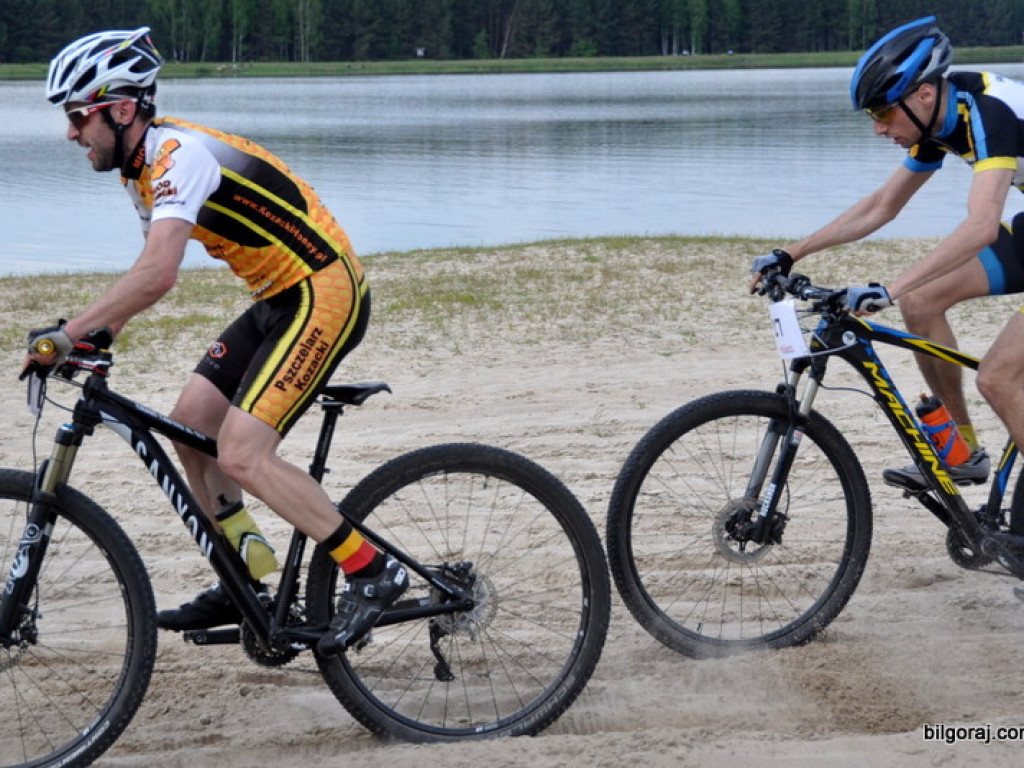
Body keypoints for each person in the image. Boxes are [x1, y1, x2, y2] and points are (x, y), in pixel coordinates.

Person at [29, 27, 407, 656]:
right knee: (189, 426)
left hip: (322, 291)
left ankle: (371, 570)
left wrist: (66, 336)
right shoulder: (138, 169)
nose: (72, 133)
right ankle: (246, 579)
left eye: (78, 116)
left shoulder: (179, 155)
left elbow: (158, 274)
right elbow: (148, 268)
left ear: (121, 110)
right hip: (277, 298)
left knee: (241, 453)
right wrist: (98, 334)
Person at [749, 15, 1024, 490]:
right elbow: (882, 206)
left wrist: (889, 289)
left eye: (882, 113)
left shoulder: (988, 113)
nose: (878, 130)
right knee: (922, 300)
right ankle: (961, 452)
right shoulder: (940, 115)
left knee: (998, 379)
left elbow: (981, 225)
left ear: (922, 94)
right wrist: (791, 253)